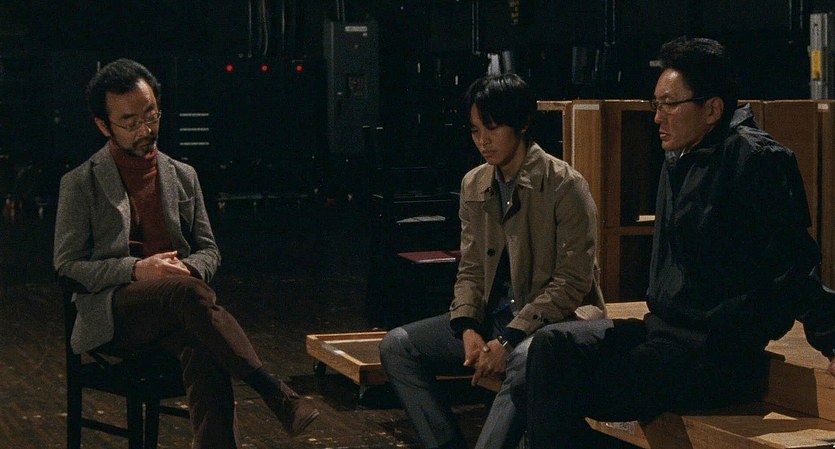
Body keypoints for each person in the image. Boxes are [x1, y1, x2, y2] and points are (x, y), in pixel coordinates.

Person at [521, 37, 835, 449]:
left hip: (717, 352)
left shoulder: (756, 159)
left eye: (669, 104)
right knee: (551, 347)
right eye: (656, 104)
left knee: (574, 389)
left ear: (712, 109)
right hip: (665, 335)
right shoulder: (681, 154)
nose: (657, 117)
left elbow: (792, 264)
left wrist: (831, 338)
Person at [53, 58, 319, 449]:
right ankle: (273, 391)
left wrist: (187, 270)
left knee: (205, 348)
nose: (146, 129)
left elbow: (209, 250)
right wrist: (137, 269)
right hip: (118, 311)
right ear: (103, 126)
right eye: (130, 122)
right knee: (187, 296)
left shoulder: (182, 174)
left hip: (180, 307)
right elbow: (67, 266)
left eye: (151, 115)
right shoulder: (80, 182)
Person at [379, 73, 604, 449]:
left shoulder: (565, 185)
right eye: (475, 130)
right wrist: (468, 326)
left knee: (525, 359)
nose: (482, 140)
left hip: (556, 324)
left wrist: (508, 338)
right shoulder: (475, 183)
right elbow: (470, 267)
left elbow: (572, 283)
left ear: (523, 124)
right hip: (496, 319)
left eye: (493, 128)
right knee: (397, 345)